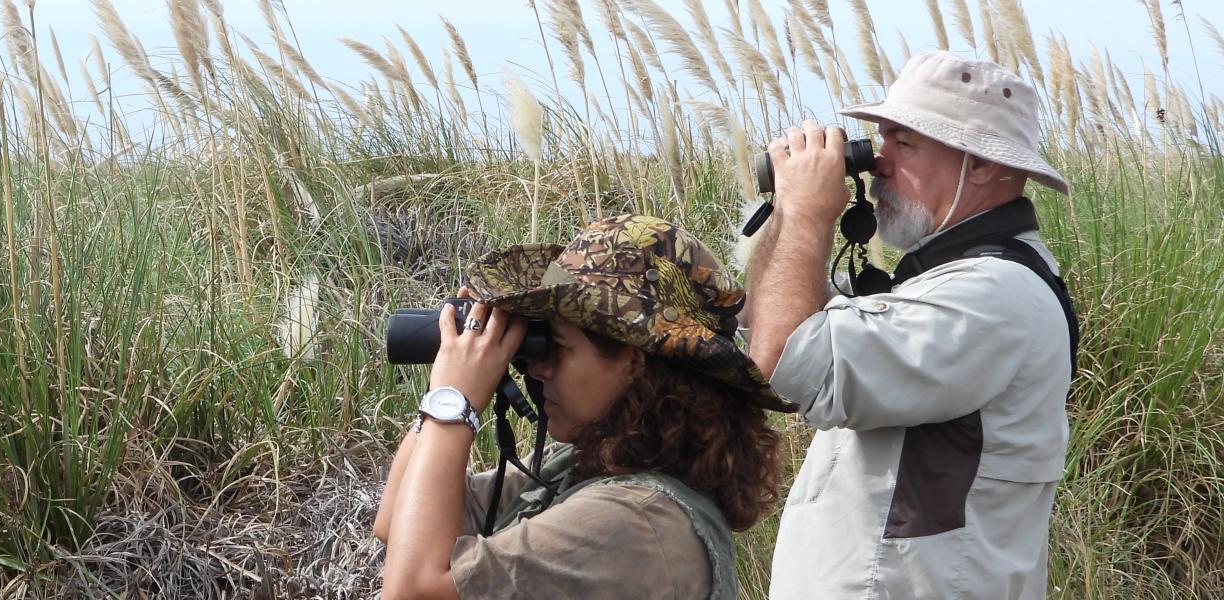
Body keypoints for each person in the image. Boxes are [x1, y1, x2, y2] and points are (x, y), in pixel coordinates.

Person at [744, 51, 1079, 599]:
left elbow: (782, 358)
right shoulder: (945, 285)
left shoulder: (994, 295)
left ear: (988, 165)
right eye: (883, 138)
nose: (878, 161)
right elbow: (778, 320)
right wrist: (785, 212)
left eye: (905, 141)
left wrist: (806, 210)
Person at [373, 215, 792, 599]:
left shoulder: (637, 521)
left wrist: (453, 400)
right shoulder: (579, 469)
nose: (537, 369)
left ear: (633, 361)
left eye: (557, 347)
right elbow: (395, 524)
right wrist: (450, 376)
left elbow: (411, 591)